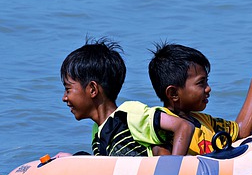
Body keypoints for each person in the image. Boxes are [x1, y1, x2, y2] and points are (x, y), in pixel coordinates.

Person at [61, 38, 194, 156]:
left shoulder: (129, 114)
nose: (64, 98)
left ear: (93, 89)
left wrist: (174, 171)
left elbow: (183, 126)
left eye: (68, 90)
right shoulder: (97, 134)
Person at [148, 41, 252, 155]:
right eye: (201, 83)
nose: (208, 88)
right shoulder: (161, 127)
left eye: (207, 81)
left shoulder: (204, 121)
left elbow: (241, 132)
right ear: (173, 93)